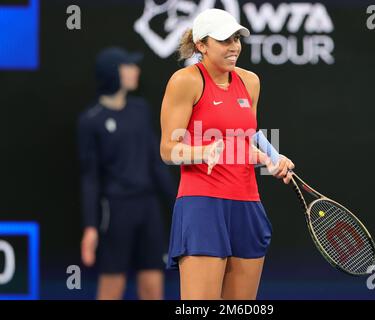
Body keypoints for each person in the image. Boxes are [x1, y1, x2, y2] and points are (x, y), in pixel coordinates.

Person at [160, 9, 295, 300]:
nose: (234, 46)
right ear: (201, 45)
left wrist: (273, 157)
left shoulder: (251, 81)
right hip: (202, 205)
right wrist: (202, 151)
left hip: (247, 204)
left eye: (236, 38)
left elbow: (248, 136)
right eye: (224, 40)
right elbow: (168, 150)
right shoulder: (185, 81)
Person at [77, 47, 176, 300]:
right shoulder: (91, 121)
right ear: (113, 73)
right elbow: (90, 177)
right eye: (129, 66)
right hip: (116, 210)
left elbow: (156, 162)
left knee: (153, 286)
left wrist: (180, 204)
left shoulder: (141, 109)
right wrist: (90, 227)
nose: (136, 71)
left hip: (149, 208)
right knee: (112, 287)